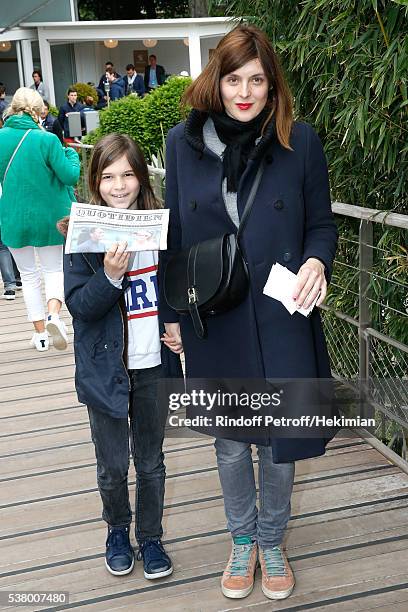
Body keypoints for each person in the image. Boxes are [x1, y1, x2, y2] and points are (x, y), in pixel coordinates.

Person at [160, 25, 338, 602]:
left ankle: (271, 539)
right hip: (216, 314)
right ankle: (241, 539)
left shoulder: (299, 141)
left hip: (281, 309)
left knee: (280, 436)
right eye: (234, 78)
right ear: (217, 79)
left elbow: (321, 223)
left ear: (271, 85)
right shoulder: (181, 145)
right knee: (232, 441)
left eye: (257, 80)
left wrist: (317, 261)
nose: (245, 92)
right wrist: (171, 313)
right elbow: (175, 236)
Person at [61, 133, 181, 581]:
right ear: (95, 181)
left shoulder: (161, 230)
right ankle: (117, 530)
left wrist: (180, 327)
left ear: (141, 177)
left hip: (155, 365)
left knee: (151, 461)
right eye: (108, 175)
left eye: (128, 174)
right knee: (112, 466)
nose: (118, 185)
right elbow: (80, 307)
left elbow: (176, 290)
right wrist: (110, 275)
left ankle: (151, 536)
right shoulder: (84, 236)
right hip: (104, 370)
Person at [0, 87, 80, 351]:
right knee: (53, 269)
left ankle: (40, 336)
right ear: (37, 113)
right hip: (50, 216)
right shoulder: (47, 140)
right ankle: (54, 316)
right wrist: (71, 154)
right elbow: (69, 176)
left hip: (14, 216)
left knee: (28, 274)